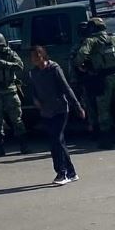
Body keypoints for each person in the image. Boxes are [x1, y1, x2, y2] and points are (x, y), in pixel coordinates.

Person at [74, 17, 115, 149]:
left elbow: (80, 57)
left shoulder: (91, 41)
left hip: (102, 78)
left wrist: (84, 66)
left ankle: (106, 140)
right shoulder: (114, 39)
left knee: (103, 110)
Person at [29, 45, 85, 186]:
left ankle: (62, 172)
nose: (35, 60)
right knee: (58, 141)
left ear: (43, 56)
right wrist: (35, 100)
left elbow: (66, 88)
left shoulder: (54, 69)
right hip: (46, 112)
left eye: (37, 57)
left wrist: (77, 107)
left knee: (56, 139)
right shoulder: (33, 73)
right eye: (33, 58)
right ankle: (72, 172)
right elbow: (34, 91)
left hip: (60, 109)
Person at [69, 21, 99, 137]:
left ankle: (98, 129)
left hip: (95, 78)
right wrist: (75, 81)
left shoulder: (92, 43)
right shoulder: (78, 47)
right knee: (89, 106)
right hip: (85, 80)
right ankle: (93, 129)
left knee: (97, 105)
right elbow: (73, 65)